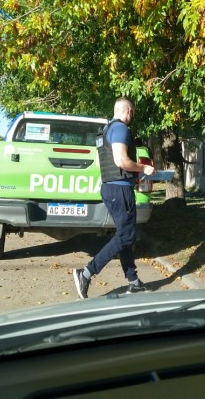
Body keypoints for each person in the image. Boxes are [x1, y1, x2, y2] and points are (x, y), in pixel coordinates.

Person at [73, 97, 156, 299]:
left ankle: (133, 281)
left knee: (124, 234)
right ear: (128, 111)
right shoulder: (121, 129)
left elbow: (102, 165)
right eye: (132, 112)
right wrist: (143, 168)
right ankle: (86, 272)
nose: (132, 117)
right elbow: (121, 161)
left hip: (111, 188)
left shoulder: (105, 130)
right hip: (120, 190)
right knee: (127, 236)